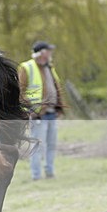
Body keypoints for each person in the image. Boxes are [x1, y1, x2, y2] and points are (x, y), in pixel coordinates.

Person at [18, 41, 67, 181]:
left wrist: (59, 106)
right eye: (47, 51)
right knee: (38, 146)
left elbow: (56, 87)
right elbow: (20, 91)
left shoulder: (49, 67)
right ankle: (36, 175)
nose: (50, 54)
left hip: (51, 112)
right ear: (40, 53)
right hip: (38, 114)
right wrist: (33, 109)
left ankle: (50, 171)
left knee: (51, 144)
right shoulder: (27, 67)